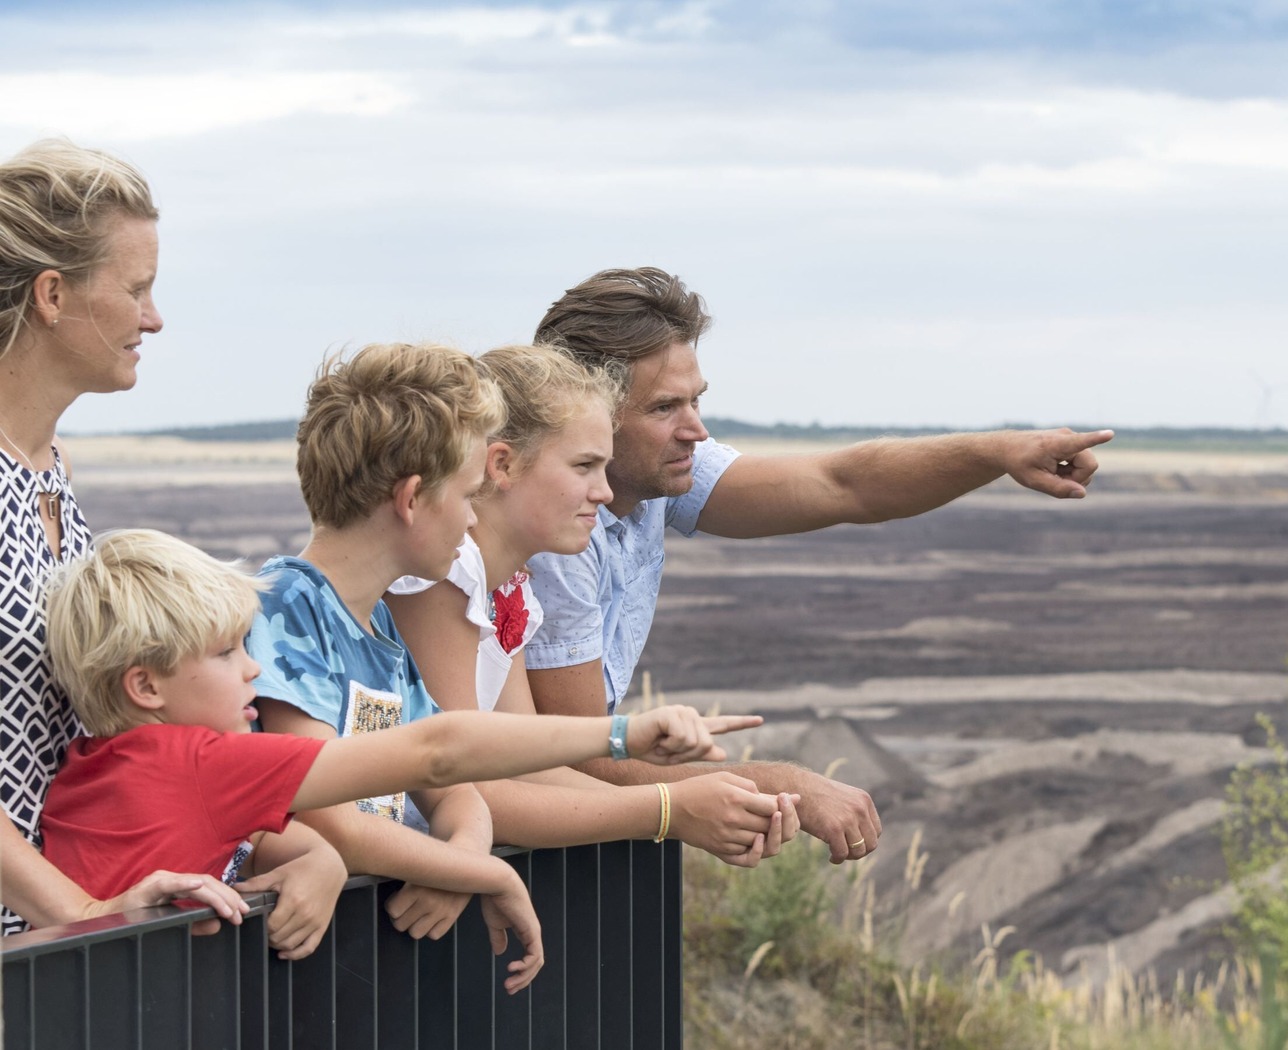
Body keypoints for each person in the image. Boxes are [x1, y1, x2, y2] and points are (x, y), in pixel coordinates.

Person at [524, 267, 1115, 864]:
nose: (695, 430)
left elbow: (843, 484)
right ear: (589, 412)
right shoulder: (554, 533)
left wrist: (999, 452)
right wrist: (783, 786)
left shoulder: (650, 476)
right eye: (664, 408)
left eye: (696, 400)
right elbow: (576, 760)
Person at [37, 528, 755, 990]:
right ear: (146, 687)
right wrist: (617, 738)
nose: (253, 668)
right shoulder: (200, 760)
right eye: (226, 654)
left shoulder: (90, 768)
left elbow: (251, 838)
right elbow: (436, 751)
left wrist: (320, 859)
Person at [0, 138, 343, 942]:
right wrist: (85, 916)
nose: (153, 318)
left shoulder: (49, 468)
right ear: (52, 294)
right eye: (136, 289)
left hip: (48, 941)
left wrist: (305, 851)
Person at [385, 344, 799, 864]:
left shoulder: (509, 584)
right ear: (502, 464)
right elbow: (459, 779)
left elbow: (522, 763)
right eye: (584, 466)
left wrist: (696, 808)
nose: (603, 493)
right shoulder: (447, 575)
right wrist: (669, 811)